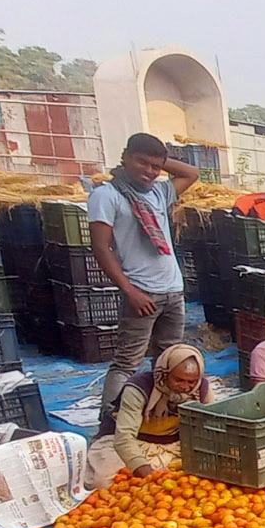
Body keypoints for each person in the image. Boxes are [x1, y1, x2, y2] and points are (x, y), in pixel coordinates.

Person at [92, 132, 201, 415]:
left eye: (156, 166)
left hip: (172, 290)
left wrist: (160, 163)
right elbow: (102, 248)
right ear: (125, 157)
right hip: (142, 291)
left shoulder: (158, 192)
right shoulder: (108, 196)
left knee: (169, 360)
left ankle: (159, 414)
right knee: (127, 362)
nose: (150, 172)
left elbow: (191, 173)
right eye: (142, 163)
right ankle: (110, 421)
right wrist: (130, 291)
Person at [87, 343, 212, 489]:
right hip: (131, 442)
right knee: (103, 482)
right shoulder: (138, 388)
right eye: (178, 380)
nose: (185, 387)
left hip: (172, 446)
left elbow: (208, 430)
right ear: (165, 374)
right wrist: (149, 474)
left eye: (191, 382)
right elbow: (124, 438)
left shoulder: (202, 390)